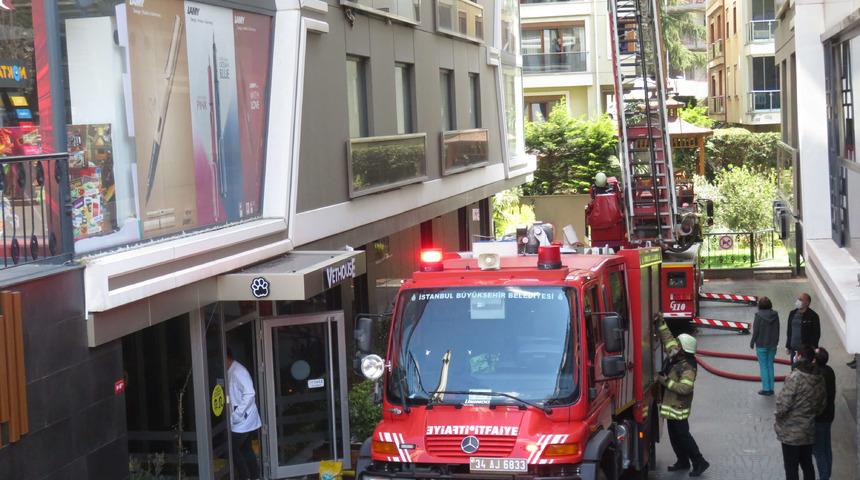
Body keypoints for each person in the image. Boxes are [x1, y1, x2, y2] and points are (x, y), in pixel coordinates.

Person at [655, 314, 710, 477]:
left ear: (683, 348)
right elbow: (668, 338)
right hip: (671, 406)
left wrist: (666, 382)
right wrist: (660, 323)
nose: (675, 345)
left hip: (678, 407)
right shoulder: (677, 356)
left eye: (678, 344)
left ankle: (699, 462)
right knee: (674, 436)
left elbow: (685, 388)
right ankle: (683, 460)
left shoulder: (688, 367)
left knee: (684, 436)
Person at [775, 345, 826, 480]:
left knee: (791, 468)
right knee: (807, 464)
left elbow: (783, 405)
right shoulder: (819, 378)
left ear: (799, 357)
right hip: (808, 430)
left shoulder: (795, 377)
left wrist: (778, 417)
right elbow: (821, 406)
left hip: (791, 433)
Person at [227, 348, 262, 480]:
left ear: (227, 357)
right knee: (246, 449)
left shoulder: (238, 372)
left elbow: (250, 393)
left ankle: (245, 476)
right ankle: (254, 476)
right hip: (243, 419)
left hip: (242, 420)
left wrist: (237, 414)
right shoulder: (231, 371)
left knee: (233, 450)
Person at [750, 296, 780, 395]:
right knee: (770, 365)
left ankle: (766, 389)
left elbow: (756, 331)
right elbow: (778, 329)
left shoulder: (758, 316)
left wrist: (752, 342)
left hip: (761, 344)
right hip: (772, 345)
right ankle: (771, 388)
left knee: (763, 366)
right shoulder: (775, 315)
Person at [813, 347, 835, 480]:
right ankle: (827, 475)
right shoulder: (829, 370)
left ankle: (824, 477)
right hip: (829, 415)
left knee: (819, 451)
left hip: (820, 417)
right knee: (827, 448)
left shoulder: (817, 375)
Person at [786, 293, 821, 365]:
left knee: (806, 370)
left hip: (806, 351)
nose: (798, 301)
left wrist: (814, 347)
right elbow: (789, 331)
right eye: (798, 299)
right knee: (794, 370)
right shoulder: (792, 313)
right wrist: (788, 346)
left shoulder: (813, 316)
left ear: (807, 303)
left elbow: (816, 333)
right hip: (793, 349)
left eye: (801, 299)